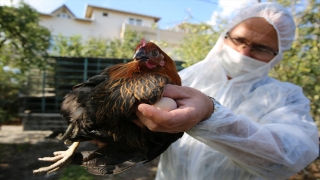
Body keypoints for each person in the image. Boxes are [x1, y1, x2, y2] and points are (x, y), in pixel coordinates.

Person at [136, 2, 319, 180]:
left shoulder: (287, 98)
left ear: (277, 55)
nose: (244, 53)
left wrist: (210, 115)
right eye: (239, 40)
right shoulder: (185, 79)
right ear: (225, 36)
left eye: (261, 48)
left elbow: (288, 158)